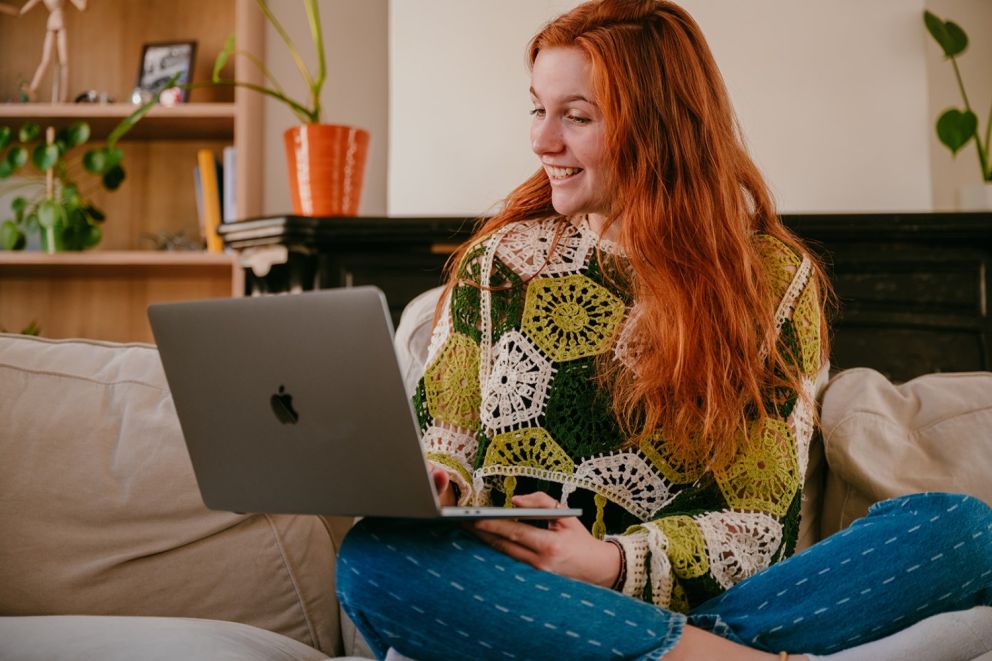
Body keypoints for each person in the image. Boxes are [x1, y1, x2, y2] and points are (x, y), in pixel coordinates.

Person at [336, 1, 992, 659]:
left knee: (961, 528)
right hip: (520, 592)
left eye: (576, 116)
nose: (541, 141)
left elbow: (760, 524)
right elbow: (443, 444)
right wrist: (437, 481)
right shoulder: (496, 266)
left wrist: (609, 562)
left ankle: (675, 648)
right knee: (374, 557)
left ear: (658, 127)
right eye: (538, 108)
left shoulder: (767, 277)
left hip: (699, 606)